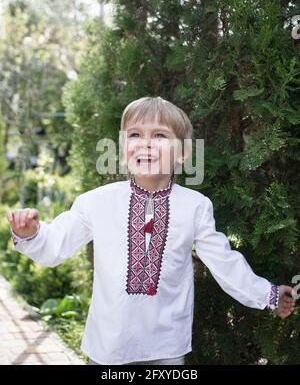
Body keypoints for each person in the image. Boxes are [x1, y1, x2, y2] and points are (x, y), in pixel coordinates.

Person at [6, 96, 296, 366]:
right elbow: (57, 244)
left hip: (166, 347)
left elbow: (224, 262)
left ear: (182, 154)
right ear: (123, 149)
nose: (145, 144)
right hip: (108, 347)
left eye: (159, 136)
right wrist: (31, 233)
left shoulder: (195, 206)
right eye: (135, 135)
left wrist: (267, 295)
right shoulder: (96, 202)